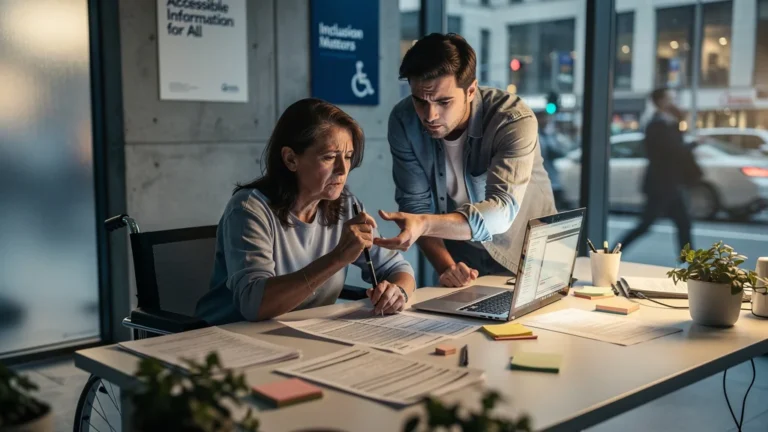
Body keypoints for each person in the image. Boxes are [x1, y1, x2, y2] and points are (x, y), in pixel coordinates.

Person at [195, 98, 415, 325]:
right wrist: (337, 258)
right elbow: (254, 305)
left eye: (348, 157)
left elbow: (398, 268)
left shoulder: (346, 205)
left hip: (300, 334)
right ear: (291, 159)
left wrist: (398, 291)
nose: (342, 170)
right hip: (227, 338)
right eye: (329, 157)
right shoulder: (249, 209)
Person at [375, 33, 556, 288]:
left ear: (470, 90)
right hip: (463, 250)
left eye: (443, 101)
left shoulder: (512, 118)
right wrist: (448, 268)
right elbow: (417, 208)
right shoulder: (404, 120)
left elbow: (501, 210)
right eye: (420, 101)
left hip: (529, 249)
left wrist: (425, 224)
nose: (430, 115)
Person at [617, 87, 703, 254]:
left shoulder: (668, 123)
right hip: (660, 185)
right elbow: (673, 150)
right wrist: (693, 143)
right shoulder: (655, 124)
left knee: (683, 223)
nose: (674, 101)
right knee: (646, 225)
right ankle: (611, 254)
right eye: (671, 98)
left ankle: (690, 262)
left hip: (671, 184)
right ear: (662, 101)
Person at [536, 110, 567, 210]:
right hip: (539, 179)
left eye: (546, 118)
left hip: (551, 177)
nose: (545, 121)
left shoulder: (549, 135)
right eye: (542, 118)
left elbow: (560, 151)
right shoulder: (535, 136)